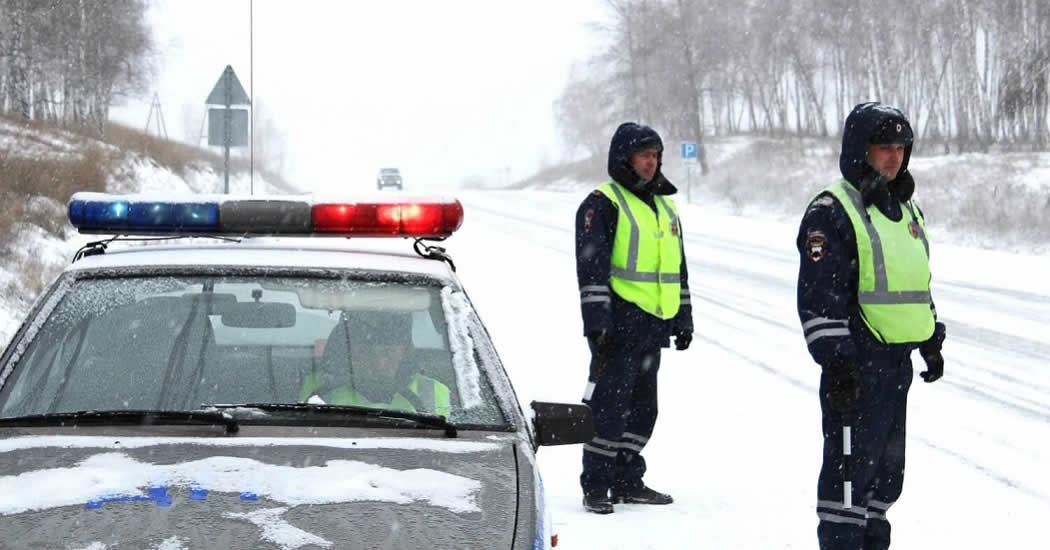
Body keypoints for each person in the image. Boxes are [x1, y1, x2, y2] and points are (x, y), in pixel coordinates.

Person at [795, 102, 946, 550]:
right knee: (848, 481)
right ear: (861, 150)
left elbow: (914, 282)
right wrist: (838, 363)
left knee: (884, 479)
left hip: (894, 367)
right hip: (856, 368)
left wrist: (931, 339)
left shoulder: (907, 212)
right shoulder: (833, 210)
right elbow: (820, 297)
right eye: (884, 147)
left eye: (901, 147)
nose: (894, 156)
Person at [575, 122, 694, 514]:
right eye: (644, 155)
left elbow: (677, 267)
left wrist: (684, 316)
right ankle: (596, 484)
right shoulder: (603, 202)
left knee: (644, 409)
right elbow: (591, 271)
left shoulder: (665, 206)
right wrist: (598, 326)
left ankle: (628, 480)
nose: (651, 162)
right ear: (625, 158)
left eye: (656, 155)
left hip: (653, 325)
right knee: (609, 408)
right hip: (619, 326)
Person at [300, 310, 452, 417]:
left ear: (404, 354)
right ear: (350, 354)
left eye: (387, 353)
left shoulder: (434, 392)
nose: (379, 363)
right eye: (366, 354)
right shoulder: (316, 385)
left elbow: (451, 438)